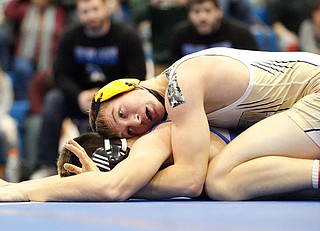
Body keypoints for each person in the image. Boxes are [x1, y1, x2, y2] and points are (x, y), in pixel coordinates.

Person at [89, 47, 320, 200]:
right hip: (308, 107)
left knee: (220, 180)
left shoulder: (178, 88)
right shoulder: (181, 102)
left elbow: (189, 180)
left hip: (315, 93)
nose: (136, 121)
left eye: (122, 112)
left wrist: (123, 184)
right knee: (245, 177)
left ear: (126, 85)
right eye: (129, 130)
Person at [30, 0, 146, 179]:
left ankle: (127, 163)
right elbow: (60, 75)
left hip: (116, 101)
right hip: (79, 98)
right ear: (77, 13)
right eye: (85, 11)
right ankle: (45, 165)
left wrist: (107, 95)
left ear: (106, 9)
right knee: (53, 99)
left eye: (95, 9)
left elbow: (137, 77)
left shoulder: (126, 37)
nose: (91, 16)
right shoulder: (70, 37)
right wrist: (78, 95)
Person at [0, 120, 236, 201]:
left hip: (257, 154)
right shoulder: (149, 152)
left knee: (219, 185)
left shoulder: (155, 140)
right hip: (249, 160)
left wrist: (22, 192)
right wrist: (18, 186)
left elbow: (110, 186)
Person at [4, 0, 66, 100]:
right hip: (26, 56)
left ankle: (36, 105)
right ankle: (26, 102)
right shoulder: (25, 9)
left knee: (49, 75)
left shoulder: (59, 12)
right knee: (21, 67)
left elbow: (62, 38)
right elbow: (8, 12)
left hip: (49, 58)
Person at [170, 0, 258, 61]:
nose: (202, 18)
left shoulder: (241, 34)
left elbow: (255, 67)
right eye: (196, 12)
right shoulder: (180, 35)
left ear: (219, 12)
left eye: (208, 11)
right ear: (189, 14)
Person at [0, 67, 21, 182]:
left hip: (1, 116)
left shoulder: (5, 79)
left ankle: (12, 170)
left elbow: (6, 103)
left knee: (10, 128)